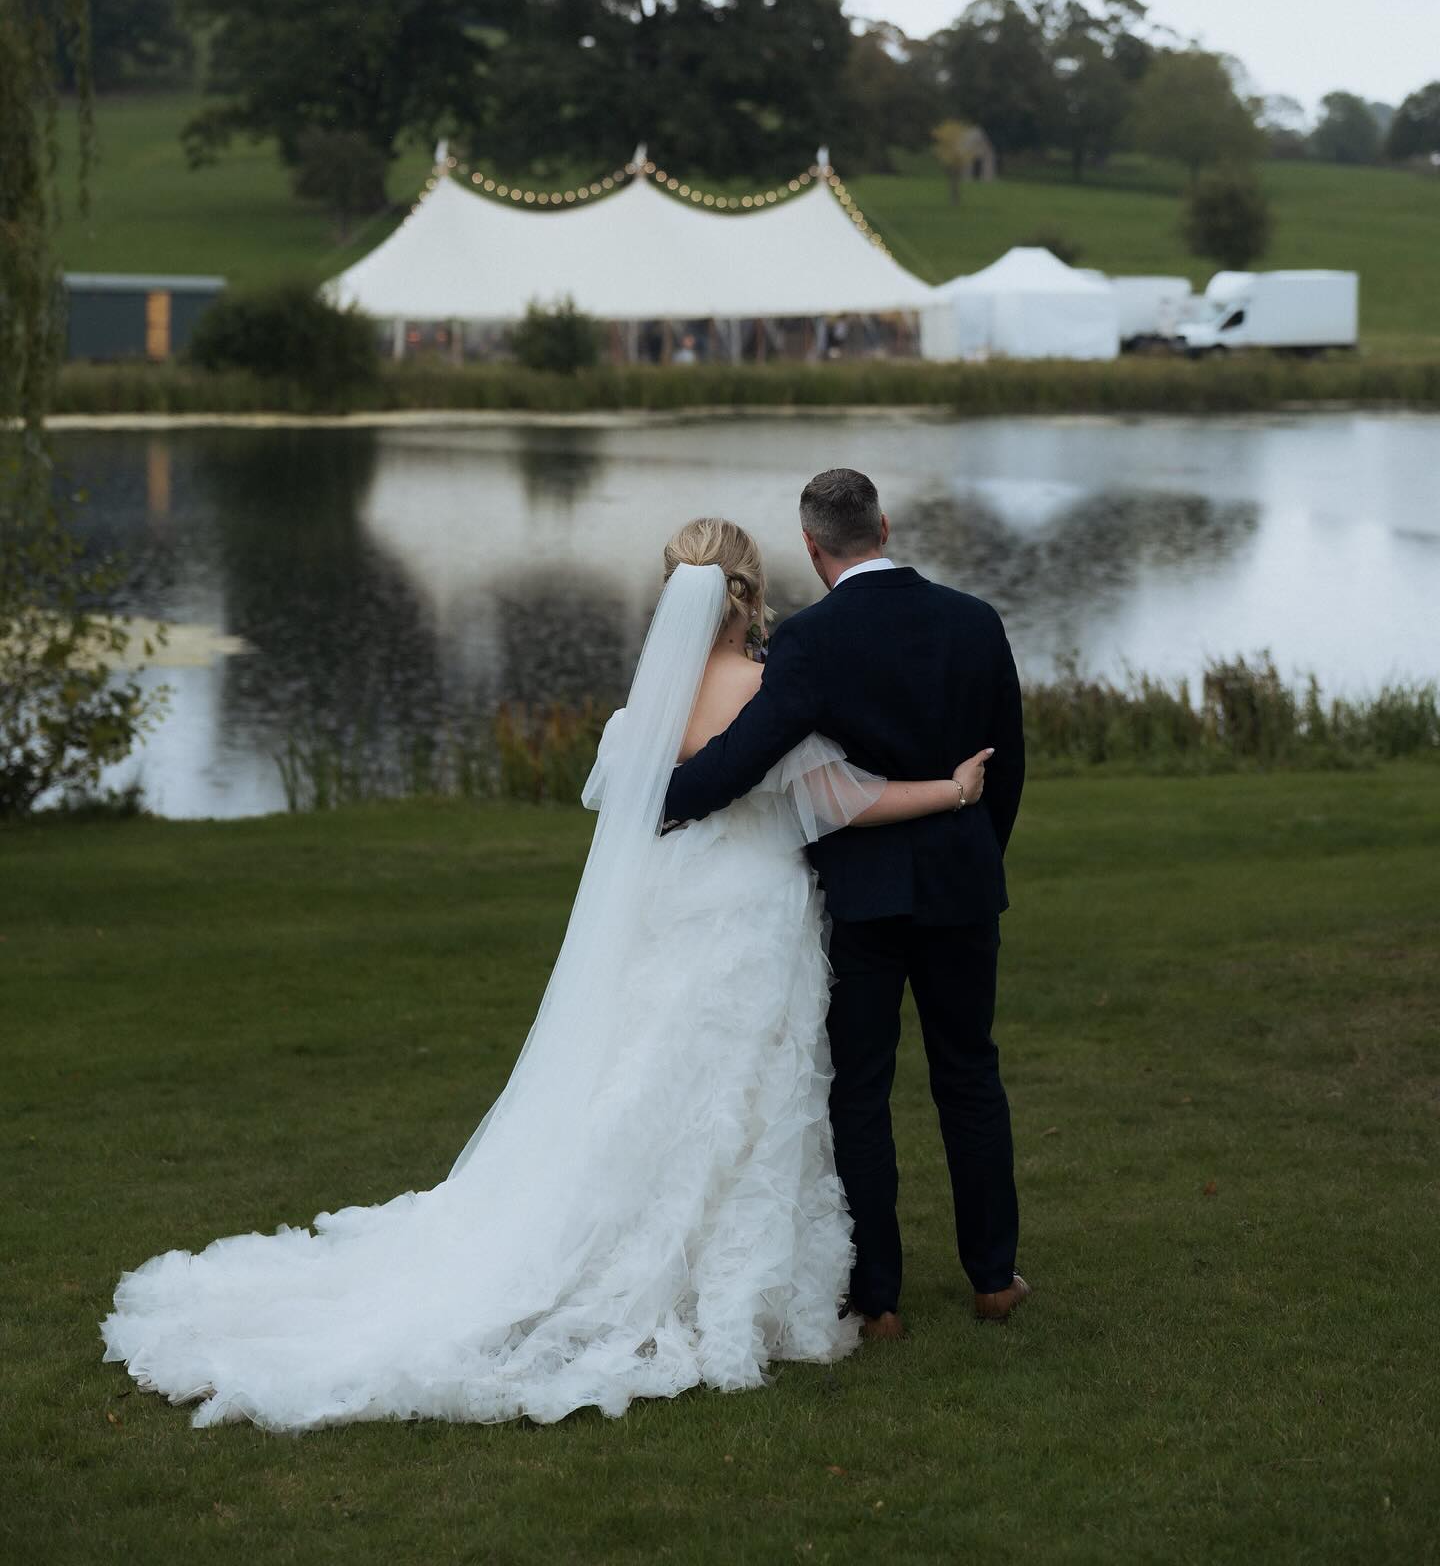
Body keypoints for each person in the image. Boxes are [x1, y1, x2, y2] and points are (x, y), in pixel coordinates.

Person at [100, 518, 992, 1432]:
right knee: (748, 1091)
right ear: (753, 594)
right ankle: (724, 1269)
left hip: (673, 902)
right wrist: (951, 789)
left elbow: (618, 797)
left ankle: (626, 1240)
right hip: (756, 907)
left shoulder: (648, 703)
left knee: (646, 1074)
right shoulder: (772, 692)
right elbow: (837, 799)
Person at [666, 469, 1027, 1335]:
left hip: (862, 900)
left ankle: (881, 1298)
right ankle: (990, 1277)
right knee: (970, 1076)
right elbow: (1005, 766)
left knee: (860, 1093)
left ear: (811, 547)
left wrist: (664, 797)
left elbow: (743, 759)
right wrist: (976, 853)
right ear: (886, 526)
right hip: (960, 885)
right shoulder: (976, 622)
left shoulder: (810, 642)